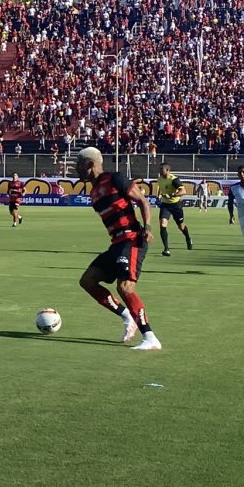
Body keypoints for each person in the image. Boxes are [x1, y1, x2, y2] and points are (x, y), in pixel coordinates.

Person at [75, 147, 161, 351]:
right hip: (116, 244)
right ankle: (126, 316)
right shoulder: (93, 192)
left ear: (89, 165)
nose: (76, 170)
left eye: (78, 165)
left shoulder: (115, 178)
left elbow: (142, 200)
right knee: (87, 281)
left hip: (132, 239)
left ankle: (150, 337)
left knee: (125, 287)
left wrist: (147, 228)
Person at [154, 162, 193, 256]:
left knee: (181, 226)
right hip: (165, 205)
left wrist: (172, 195)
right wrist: (159, 196)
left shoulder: (174, 180)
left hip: (176, 205)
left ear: (167, 170)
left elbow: (183, 191)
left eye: (161, 169)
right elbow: (161, 189)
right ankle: (166, 249)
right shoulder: (159, 179)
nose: (159, 171)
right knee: (162, 224)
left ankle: (188, 237)